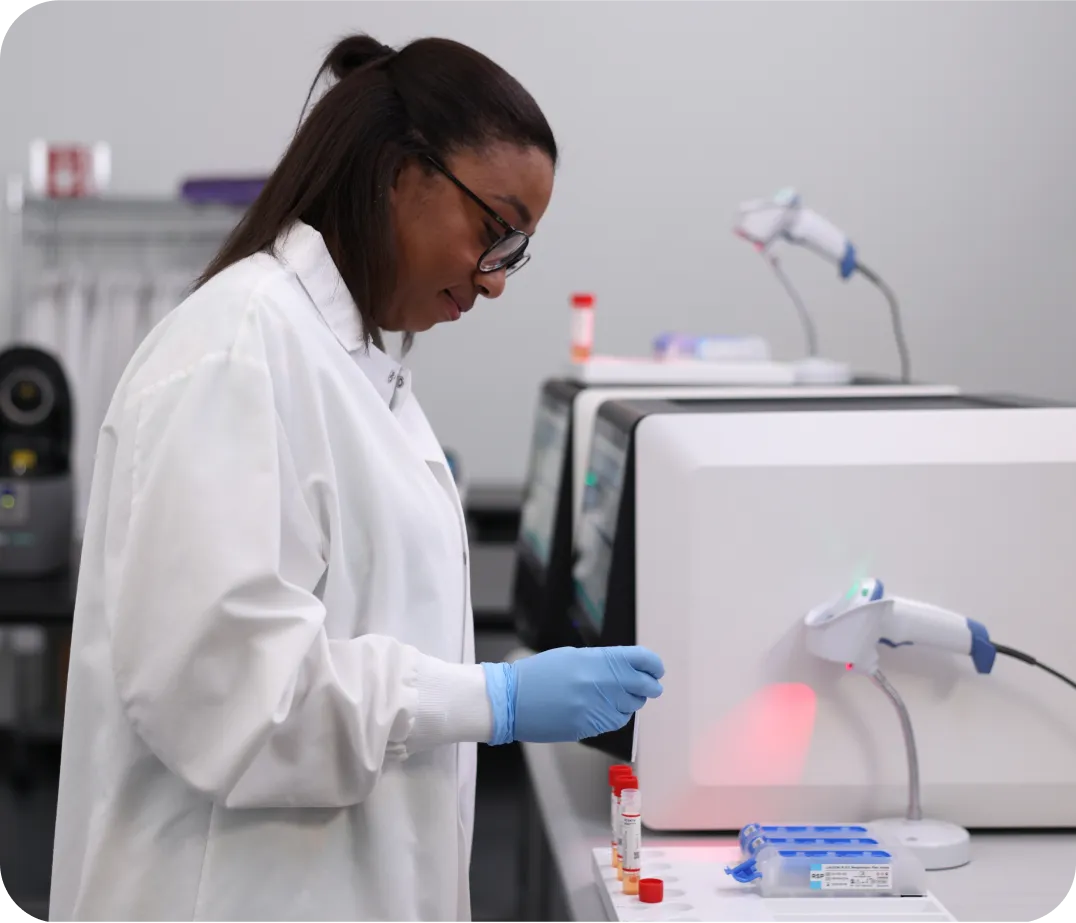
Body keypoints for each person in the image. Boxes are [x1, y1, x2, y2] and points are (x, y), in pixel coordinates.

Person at [49, 33, 665, 923]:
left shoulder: (359, 370)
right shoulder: (239, 349)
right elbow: (229, 696)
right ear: (398, 172)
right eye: (496, 232)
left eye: (517, 252)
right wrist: (491, 699)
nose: (495, 283)